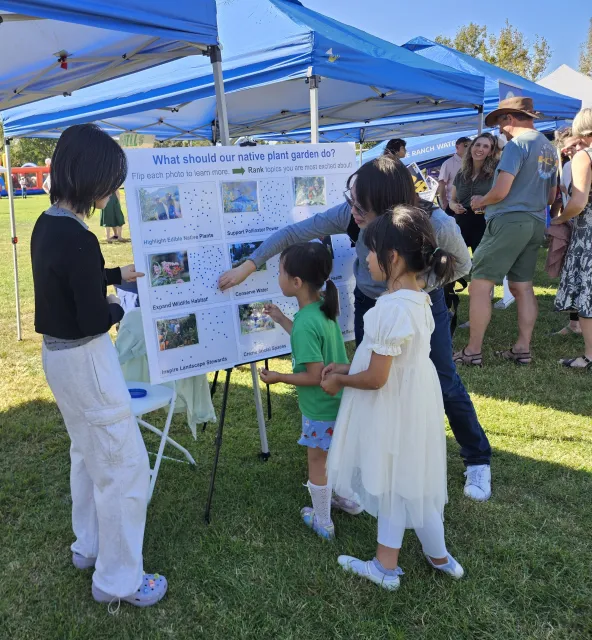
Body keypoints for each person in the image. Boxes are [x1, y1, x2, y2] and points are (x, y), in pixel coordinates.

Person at [219, 156, 493, 502]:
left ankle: (477, 458)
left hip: (420, 305)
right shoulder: (351, 214)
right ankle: (376, 460)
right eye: (351, 203)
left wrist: (412, 286)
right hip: (371, 306)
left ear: (389, 206)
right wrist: (250, 264)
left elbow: (463, 264)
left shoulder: (436, 222)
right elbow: (294, 233)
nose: (354, 214)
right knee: (370, 380)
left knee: (442, 379)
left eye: (361, 207)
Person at [30, 123, 167, 608]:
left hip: (59, 358)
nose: (112, 192)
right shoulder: (79, 238)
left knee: (87, 455)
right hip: (87, 358)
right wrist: (122, 303)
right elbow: (91, 312)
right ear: (91, 178)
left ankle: (88, 546)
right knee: (123, 467)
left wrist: (113, 275)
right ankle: (120, 580)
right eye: (111, 181)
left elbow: (67, 280)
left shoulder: (48, 224)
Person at [321, 205, 463, 590]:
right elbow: (381, 360)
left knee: (393, 480)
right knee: (414, 478)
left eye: (371, 249)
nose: (365, 257)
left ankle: (386, 568)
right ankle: (440, 557)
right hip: (415, 400)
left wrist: (340, 382)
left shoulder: (389, 309)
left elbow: (378, 378)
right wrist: (345, 369)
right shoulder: (420, 298)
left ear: (393, 257)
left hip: (393, 406)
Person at [258, 243, 361, 540]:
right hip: (339, 402)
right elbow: (314, 349)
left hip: (320, 407)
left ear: (296, 283)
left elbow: (315, 376)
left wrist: (279, 377)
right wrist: (281, 319)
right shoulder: (322, 309)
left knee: (317, 461)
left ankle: (323, 520)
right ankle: (348, 499)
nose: (277, 276)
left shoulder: (306, 322)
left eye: (279, 272)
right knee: (336, 453)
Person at [454, 97, 558, 367]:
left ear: (509, 118)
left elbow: (500, 191)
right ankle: (522, 348)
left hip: (509, 221)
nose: (500, 130)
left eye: (500, 123)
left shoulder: (517, 145)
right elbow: (552, 196)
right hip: (535, 221)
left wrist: (480, 201)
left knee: (479, 284)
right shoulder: (549, 147)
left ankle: (473, 351)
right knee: (522, 287)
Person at [551, 108, 592, 370]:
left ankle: (589, 356)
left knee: (587, 295)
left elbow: (577, 202)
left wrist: (558, 219)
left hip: (587, 234)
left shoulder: (583, 157)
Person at [449, 133, 499, 252]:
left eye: (486, 146)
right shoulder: (461, 173)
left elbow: (502, 196)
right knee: (457, 263)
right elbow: (452, 199)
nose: (480, 149)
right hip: (461, 222)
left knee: (482, 263)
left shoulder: (496, 173)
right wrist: (454, 206)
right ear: (471, 148)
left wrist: (485, 200)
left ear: (491, 152)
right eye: (477, 145)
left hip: (484, 222)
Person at [437, 137, 471, 213]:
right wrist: (444, 202)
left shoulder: (473, 162)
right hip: (453, 205)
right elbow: (442, 184)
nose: (468, 148)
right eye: (465, 145)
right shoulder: (447, 163)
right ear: (457, 147)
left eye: (470, 146)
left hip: (471, 205)